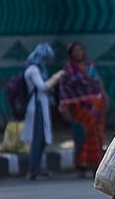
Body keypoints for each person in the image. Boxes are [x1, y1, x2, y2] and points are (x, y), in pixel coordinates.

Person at [58, 41, 109, 177]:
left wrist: (104, 96)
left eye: (80, 50)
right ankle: (81, 165)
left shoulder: (89, 66)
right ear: (71, 53)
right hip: (80, 110)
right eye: (75, 51)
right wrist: (66, 110)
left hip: (96, 107)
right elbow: (64, 91)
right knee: (82, 136)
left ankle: (96, 165)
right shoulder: (68, 70)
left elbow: (98, 83)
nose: (78, 53)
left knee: (97, 136)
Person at [20, 43, 64, 180]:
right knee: (37, 139)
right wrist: (56, 77)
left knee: (43, 139)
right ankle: (33, 170)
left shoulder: (38, 69)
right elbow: (42, 87)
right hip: (37, 106)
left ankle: (37, 167)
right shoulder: (33, 70)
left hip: (42, 105)